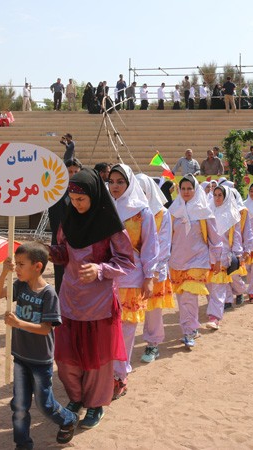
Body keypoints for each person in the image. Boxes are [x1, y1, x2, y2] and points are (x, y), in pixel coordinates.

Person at [49, 168, 134, 429]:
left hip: (99, 303)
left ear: (95, 197)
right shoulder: (68, 221)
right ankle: (76, 398)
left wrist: (100, 270)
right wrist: (51, 253)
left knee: (97, 359)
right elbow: (65, 252)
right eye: (73, 200)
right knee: (66, 358)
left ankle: (96, 404)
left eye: (82, 200)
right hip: (70, 298)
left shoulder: (111, 227)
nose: (77, 205)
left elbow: (127, 261)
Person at [0, 243, 79, 447]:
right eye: (16, 263)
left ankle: (68, 419)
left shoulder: (48, 294)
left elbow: (45, 329)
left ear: (37, 266)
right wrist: (5, 272)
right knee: (19, 406)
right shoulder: (19, 285)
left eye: (21, 264)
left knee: (45, 404)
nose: (17, 268)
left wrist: (18, 323)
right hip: (20, 357)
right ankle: (23, 445)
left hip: (40, 360)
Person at [107, 165, 158, 399]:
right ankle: (106, 373)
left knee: (126, 329)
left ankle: (120, 375)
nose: (115, 186)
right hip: (107, 277)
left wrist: (149, 277)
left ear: (129, 184)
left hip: (133, 277)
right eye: (112, 181)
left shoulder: (142, 213)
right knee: (107, 328)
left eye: (120, 181)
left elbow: (149, 247)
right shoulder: (104, 210)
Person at [168, 175, 223, 347]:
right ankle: (190, 327)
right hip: (176, 261)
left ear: (195, 189)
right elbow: (166, 238)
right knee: (181, 298)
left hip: (198, 260)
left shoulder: (204, 212)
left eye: (189, 188)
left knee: (189, 297)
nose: (186, 192)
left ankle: (189, 331)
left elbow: (215, 237)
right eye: (183, 188)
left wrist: (218, 259)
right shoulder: (172, 211)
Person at [135, 173, 172, 363]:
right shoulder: (130, 211)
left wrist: (154, 269)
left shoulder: (162, 214)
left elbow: (164, 244)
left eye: (143, 191)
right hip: (133, 269)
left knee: (153, 308)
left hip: (155, 269)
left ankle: (152, 344)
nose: (140, 195)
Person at [206, 184, 249, 326]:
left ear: (226, 197)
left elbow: (236, 237)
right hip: (207, 256)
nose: (217, 198)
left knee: (218, 286)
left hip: (224, 256)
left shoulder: (232, 215)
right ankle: (215, 309)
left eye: (220, 195)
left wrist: (237, 254)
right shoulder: (208, 212)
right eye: (215, 195)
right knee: (210, 286)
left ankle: (214, 317)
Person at [48, 159, 83, 293]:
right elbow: (55, 218)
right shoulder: (56, 191)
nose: (73, 174)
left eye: (76, 171)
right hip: (60, 238)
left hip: (79, 239)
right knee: (60, 272)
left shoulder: (85, 191)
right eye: (70, 171)